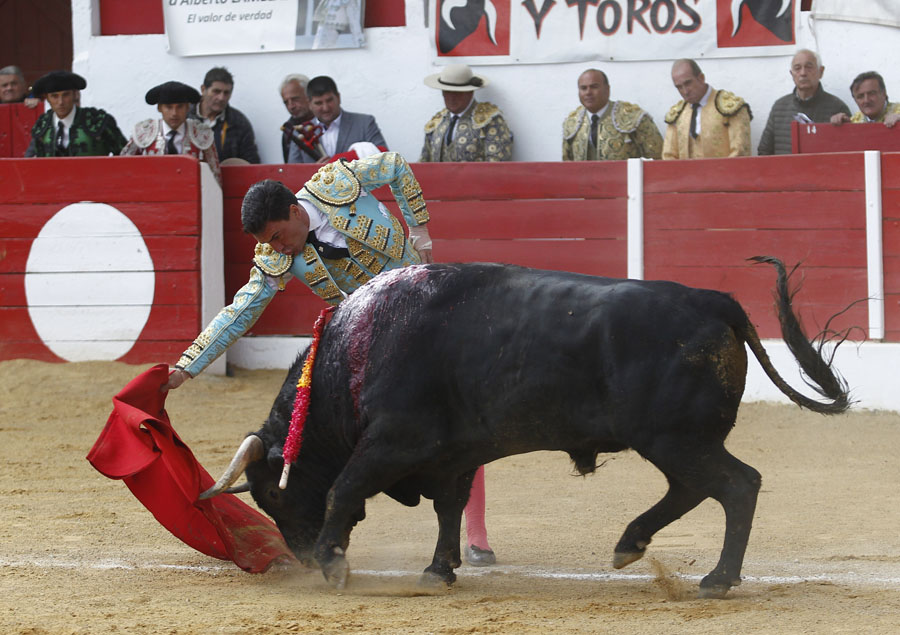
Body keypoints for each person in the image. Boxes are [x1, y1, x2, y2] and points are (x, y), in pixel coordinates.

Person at [162, 150, 431, 390]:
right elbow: (239, 312)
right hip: (380, 328)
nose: (278, 248)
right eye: (268, 243)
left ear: (295, 211)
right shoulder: (275, 258)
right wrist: (186, 368)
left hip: (424, 291)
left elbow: (394, 164)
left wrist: (418, 227)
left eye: (278, 236)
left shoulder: (336, 184)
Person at [120, 81, 221, 186]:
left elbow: (214, 177)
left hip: (190, 197)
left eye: (180, 107)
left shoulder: (201, 134)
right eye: (169, 107)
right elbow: (123, 170)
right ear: (159, 108)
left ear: (187, 107)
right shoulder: (144, 132)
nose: (174, 113)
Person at [758, 49, 851, 155]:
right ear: (791, 74)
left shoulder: (837, 108)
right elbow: (764, 151)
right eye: (797, 68)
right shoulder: (779, 107)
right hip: (786, 170)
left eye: (809, 67)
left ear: (821, 72)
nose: (803, 73)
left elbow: (848, 153)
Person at [419, 64, 514, 163]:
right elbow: (423, 163)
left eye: (457, 92)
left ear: (470, 92)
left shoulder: (491, 121)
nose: (451, 98)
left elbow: (497, 167)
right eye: (447, 92)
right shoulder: (437, 122)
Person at [562, 69, 663, 161]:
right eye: (583, 88)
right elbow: (567, 165)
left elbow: (657, 158)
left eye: (594, 87)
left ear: (607, 89)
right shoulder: (572, 122)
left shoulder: (634, 117)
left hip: (626, 180)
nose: (588, 92)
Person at [662, 59, 752, 160]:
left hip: (723, 174)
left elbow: (740, 152)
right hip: (686, 175)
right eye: (679, 87)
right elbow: (668, 156)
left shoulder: (731, 108)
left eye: (688, 83)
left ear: (701, 78)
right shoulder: (677, 114)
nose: (685, 91)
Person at [289, 75, 387, 164]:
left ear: (338, 97)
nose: (325, 108)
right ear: (309, 104)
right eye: (318, 103)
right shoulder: (299, 133)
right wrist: (314, 172)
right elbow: (291, 174)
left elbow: (386, 160)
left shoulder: (365, 123)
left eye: (329, 100)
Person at [27, 70, 126, 157]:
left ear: (75, 94)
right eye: (54, 96)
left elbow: (125, 155)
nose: (60, 102)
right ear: (47, 98)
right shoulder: (43, 125)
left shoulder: (97, 121)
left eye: (65, 95)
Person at [190, 67, 260, 164]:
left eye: (226, 93)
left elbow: (251, 162)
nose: (221, 98)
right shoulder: (185, 117)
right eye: (216, 91)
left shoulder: (239, 122)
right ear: (203, 89)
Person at [830, 71, 900, 128]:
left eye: (872, 93)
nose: (866, 100)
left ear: (884, 93)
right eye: (860, 96)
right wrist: (844, 127)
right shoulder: (854, 121)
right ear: (855, 100)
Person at [280, 74, 314, 163]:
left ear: (309, 95)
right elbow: (290, 168)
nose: (291, 106)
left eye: (295, 99)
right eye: (286, 102)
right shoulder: (288, 129)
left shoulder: (327, 119)